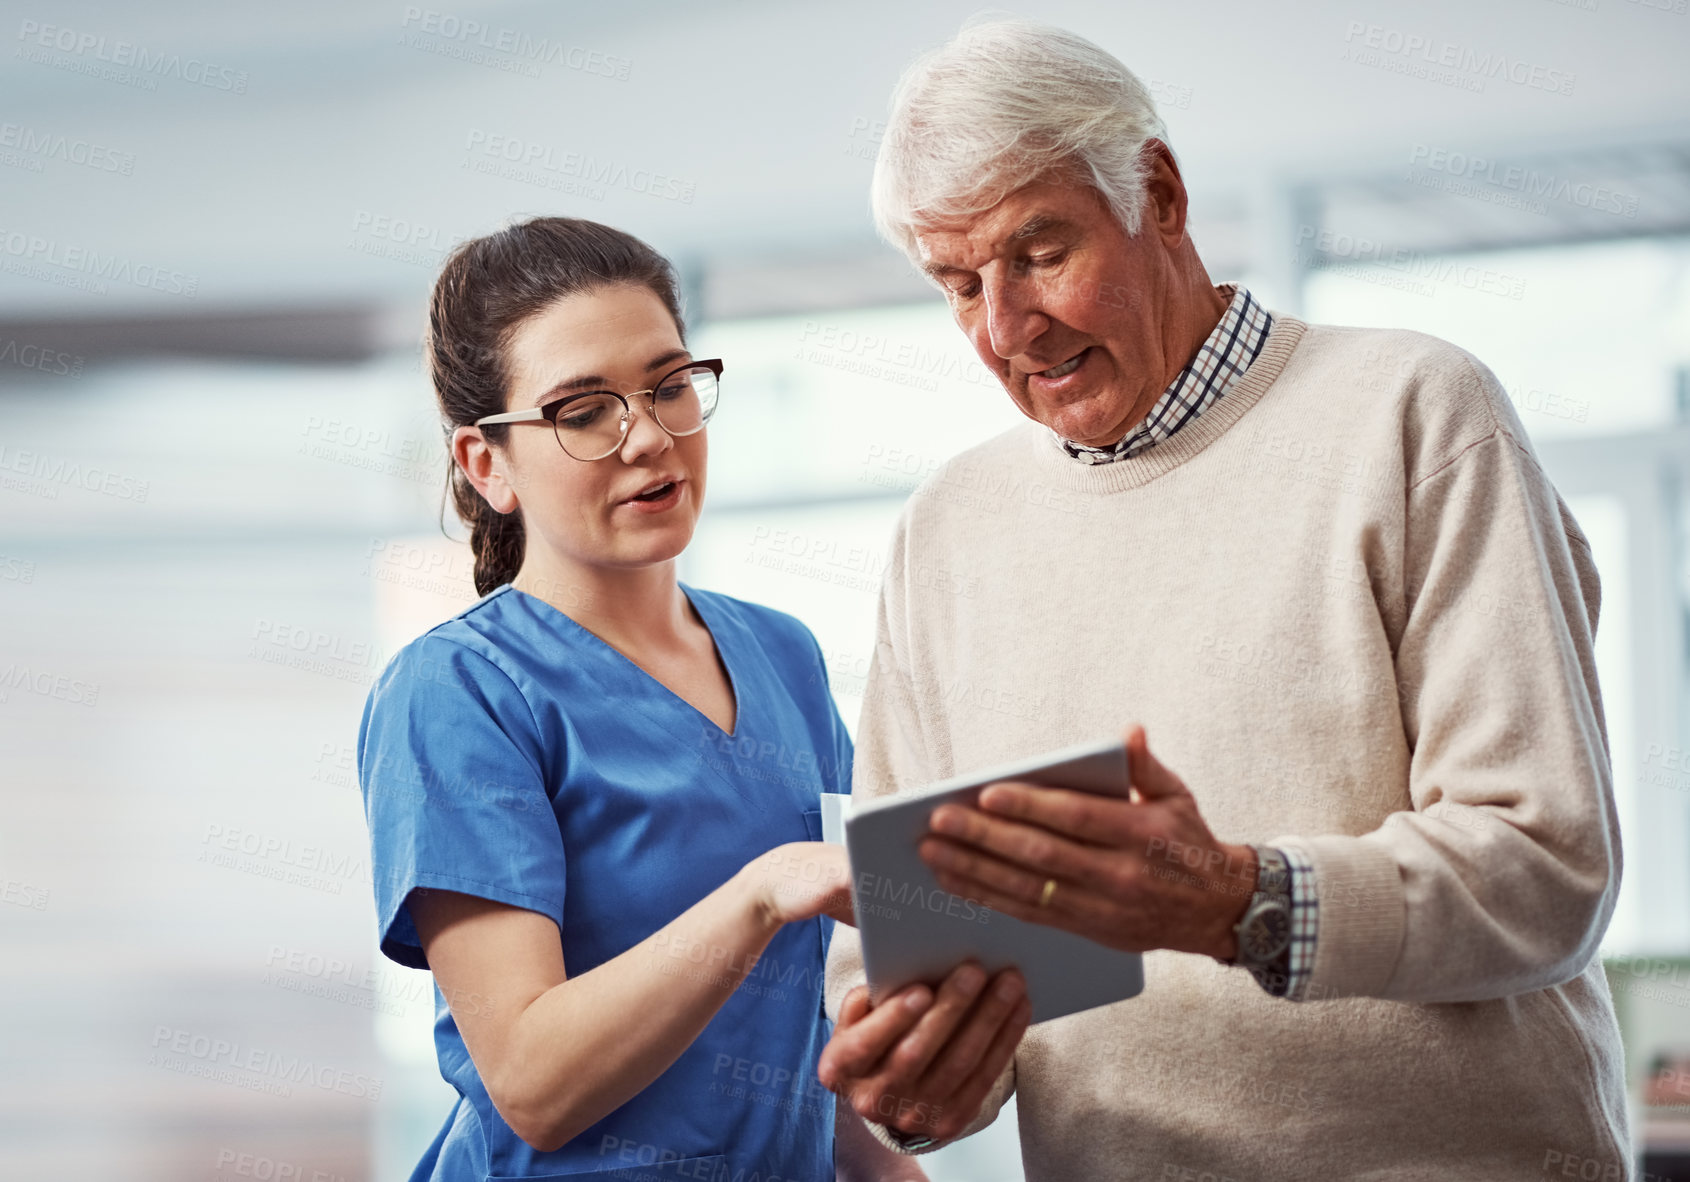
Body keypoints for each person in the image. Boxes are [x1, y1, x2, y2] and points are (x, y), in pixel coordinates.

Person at [818, 19, 1631, 1180]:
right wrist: (917, 1071)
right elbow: (909, 937)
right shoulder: (947, 528)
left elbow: (1543, 867)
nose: (1004, 328)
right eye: (958, 286)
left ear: (1156, 190)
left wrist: (1235, 903)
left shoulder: (1414, 414)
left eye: (1039, 252)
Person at [357, 216, 927, 1182]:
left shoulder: (782, 655)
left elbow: (806, 1026)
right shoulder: (458, 694)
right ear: (486, 464)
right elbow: (533, 1085)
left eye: (669, 387)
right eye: (583, 411)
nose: (651, 438)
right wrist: (756, 896)